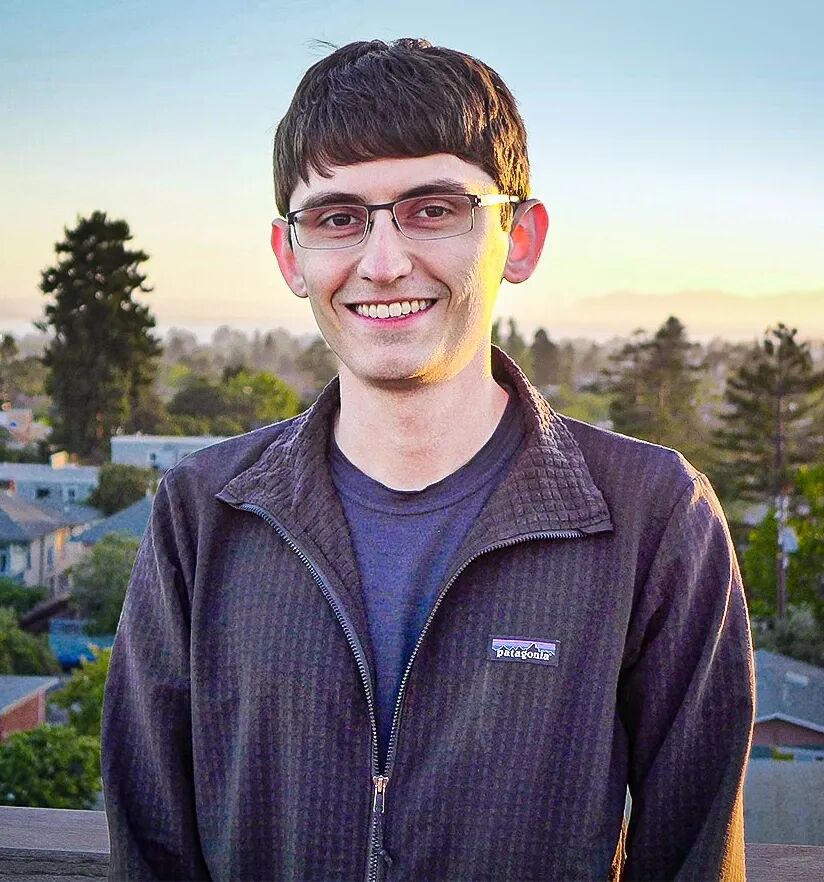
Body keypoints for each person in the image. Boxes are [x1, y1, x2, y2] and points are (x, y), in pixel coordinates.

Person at [102, 38, 755, 882]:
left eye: (433, 208)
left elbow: (694, 858)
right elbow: (152, 849)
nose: (382, 263)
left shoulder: (653, 516)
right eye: (337, 218)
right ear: (289, 255)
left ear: (517, 238)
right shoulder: (202, 513)